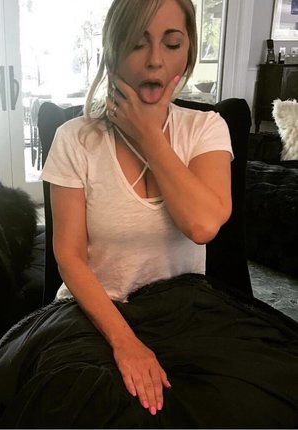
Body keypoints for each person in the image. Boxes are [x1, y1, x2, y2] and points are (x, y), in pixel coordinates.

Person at [41, 0, 233, 416]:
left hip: (182, 311)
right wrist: (125, 342)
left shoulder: (207, 128)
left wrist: (148, 136)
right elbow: (69, 256)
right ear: (113, 51)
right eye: (137, 43)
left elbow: (201, 225)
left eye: (172, 43)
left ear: (189, 50)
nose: (155, 60)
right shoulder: (74, 139)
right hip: (95, 314)